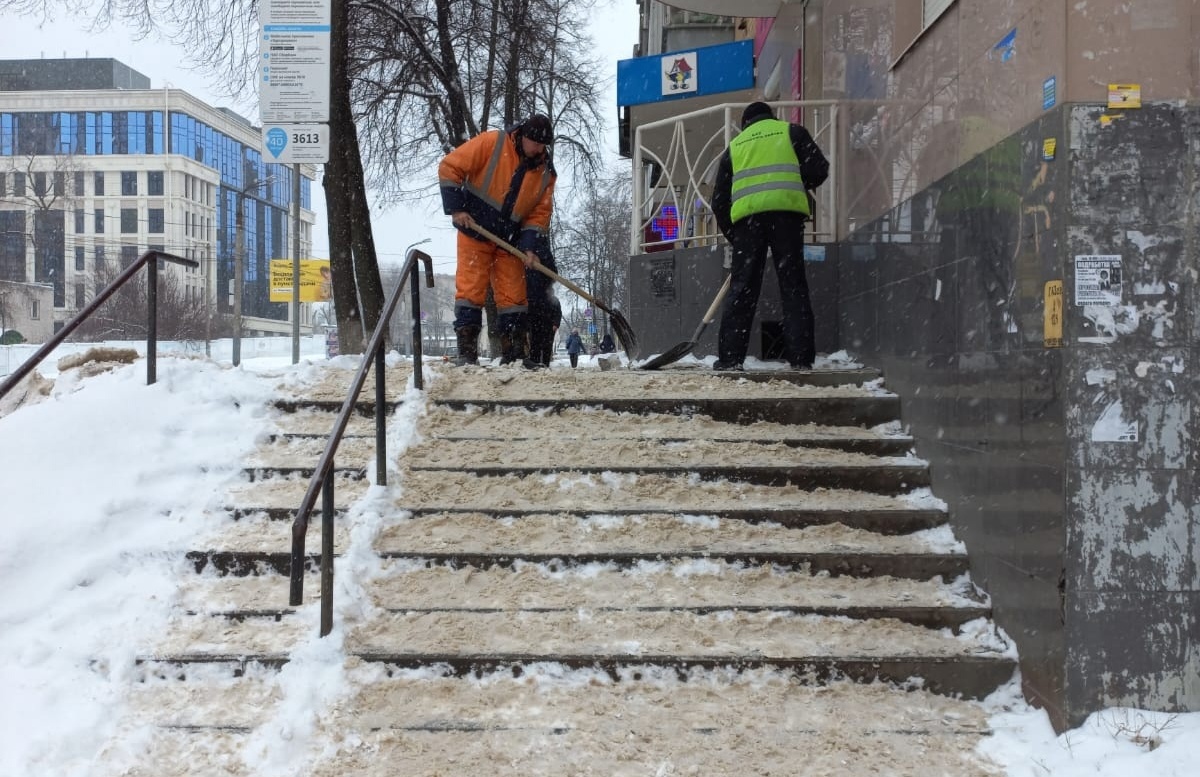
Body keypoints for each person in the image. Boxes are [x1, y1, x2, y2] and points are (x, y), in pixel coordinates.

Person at [710, 101, 829, 370]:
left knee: (742, 289)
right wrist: (796, 184)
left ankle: (730, 358)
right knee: (793, 285)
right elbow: (819, 169)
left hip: (747, 225)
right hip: (786, 218)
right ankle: (800, 358)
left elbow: (718, 201)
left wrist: (735, 237)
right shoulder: (791, 133)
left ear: (745, 124)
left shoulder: (735, 148)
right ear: (770, 117)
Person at [439, 113, 557, 367]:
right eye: (533, 143)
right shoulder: (493, 143)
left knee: (514, 296)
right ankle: (467, 352)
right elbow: (450, 167)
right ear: (522, 136)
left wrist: (529, 247)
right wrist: (457, 208)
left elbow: (539, 213)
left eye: (542, 145)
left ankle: (515, 354)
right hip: (475, 231)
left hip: (511, 242)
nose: (537, 149)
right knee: (470, 291)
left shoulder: (546, 174)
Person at [527, 236, 562, 366]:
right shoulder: (523, 253)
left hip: (547, 324)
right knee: (535, 341)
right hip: (534, 310)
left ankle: (545, 363)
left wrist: (555, 324)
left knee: (546, 344)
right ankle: (534, 361)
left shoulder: (553, 301)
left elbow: (558, 313)